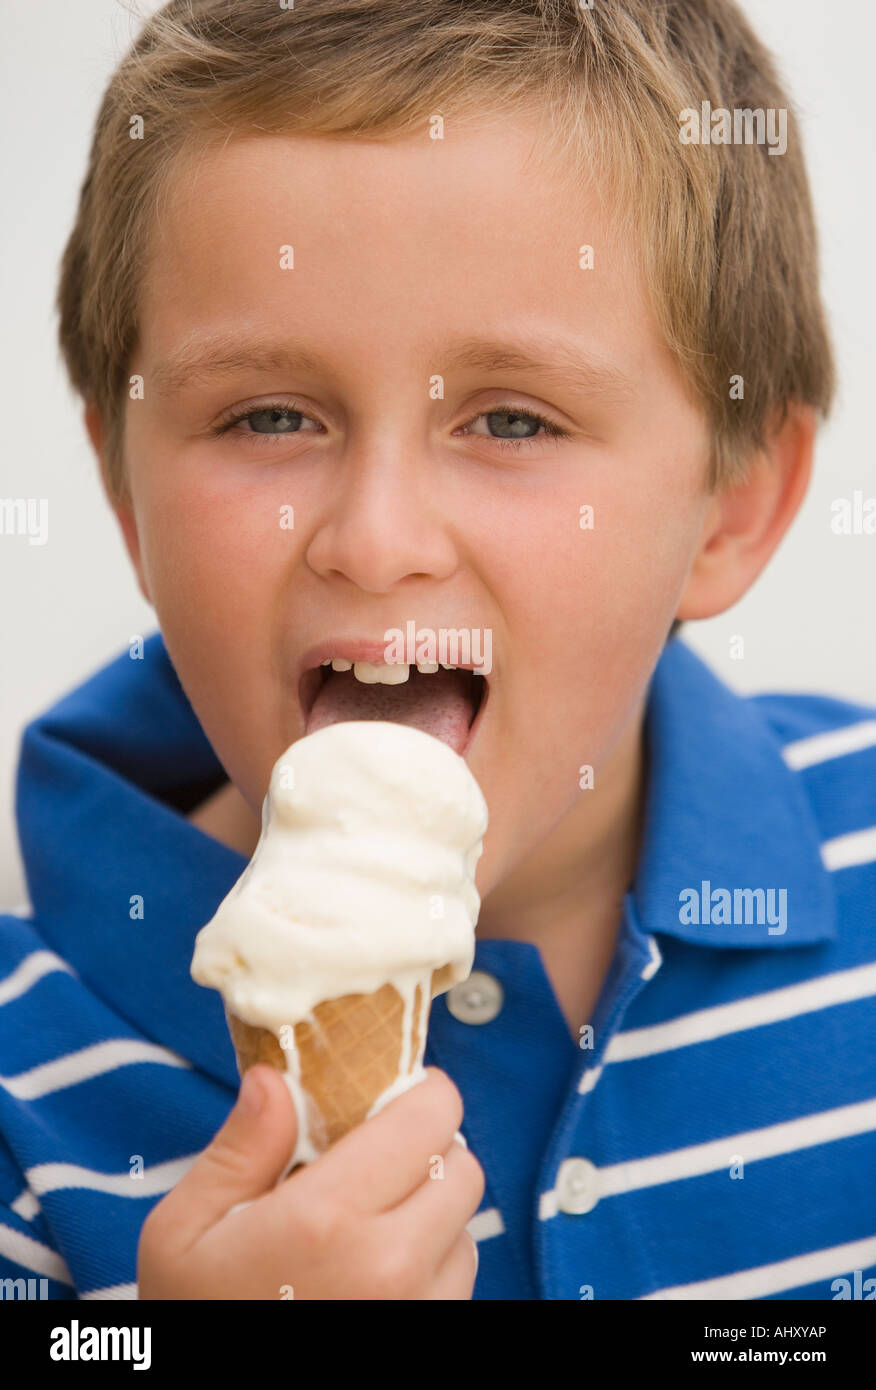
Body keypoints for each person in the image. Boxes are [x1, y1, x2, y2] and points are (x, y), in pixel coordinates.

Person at [2, 0, 873, 1300]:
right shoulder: (27, 1085)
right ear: (127, 497)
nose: (376, 538)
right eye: (270, 414)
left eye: (513, 422)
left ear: (733, 506)